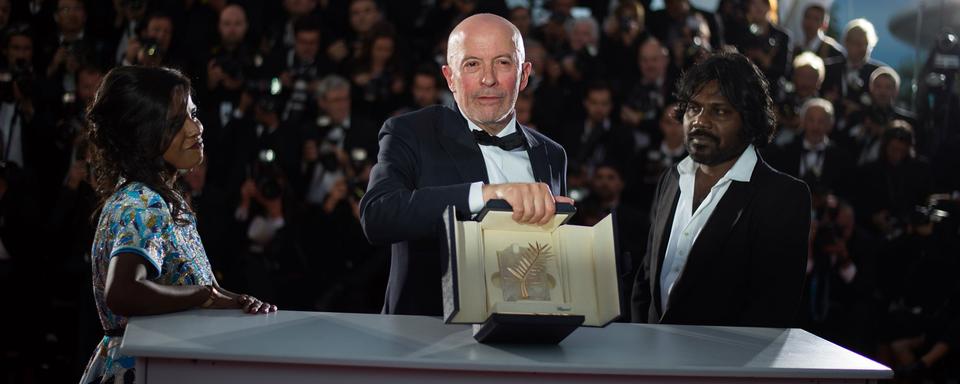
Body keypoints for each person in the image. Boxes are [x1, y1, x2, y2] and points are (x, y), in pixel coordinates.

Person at [360, 14, 572, 316]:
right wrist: (485, 195)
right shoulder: (410, 132)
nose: (488, 79)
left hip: (529, 334)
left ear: (524, 75)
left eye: (503, 62)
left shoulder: (552, 154)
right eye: (472, 64)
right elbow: (377, 215)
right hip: (425, 339)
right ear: (450, 77)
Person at [80, 66, 276, 383]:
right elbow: (123, 292)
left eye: (193, 113)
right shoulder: (146, 203)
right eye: (176, 122)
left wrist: (229, 300)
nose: (195, 127)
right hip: (144, 367)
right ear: (143, 135)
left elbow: (184, 285)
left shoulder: (148, 196)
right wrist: (202, 296)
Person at [630, 51, 811, 328]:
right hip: (652, 364)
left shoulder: (783, 197)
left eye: (720, 111)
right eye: (694, 108)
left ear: (749, 122)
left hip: (724, 368)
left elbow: (771, 311)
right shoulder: (671, 178)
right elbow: (646, 282)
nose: (700, 121)